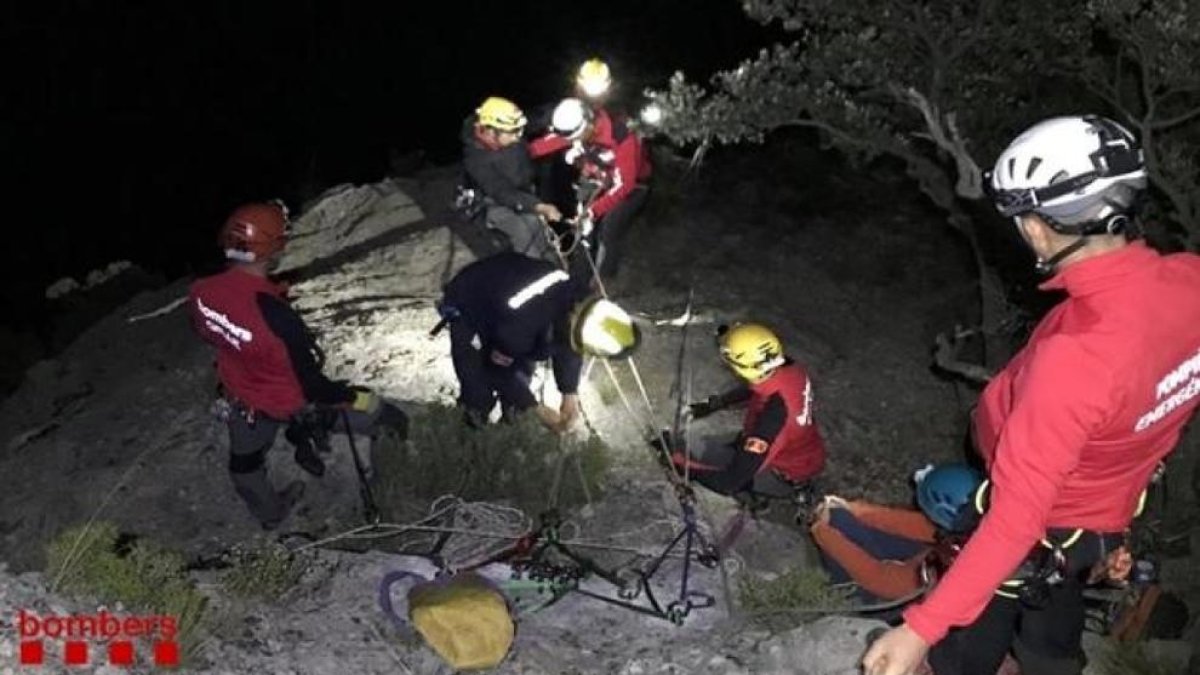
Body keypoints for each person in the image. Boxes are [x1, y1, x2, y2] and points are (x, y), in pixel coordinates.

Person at [862, 115, 1200, 675]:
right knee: (1052, 641)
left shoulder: (1077, 360)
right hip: (1095, 524)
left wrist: (919, 630)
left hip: (1041, 524)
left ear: (1040, 230)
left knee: (969, 647)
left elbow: (1015, 521)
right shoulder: (1189, 283)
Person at [189, 202, 409, 530]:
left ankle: (270, 513)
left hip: (243, 401)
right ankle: (392, 492)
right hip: (293, 402)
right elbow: (314, 386)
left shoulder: (200, 293)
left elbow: (212, 332)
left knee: (244, 466)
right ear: (274, 246)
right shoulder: (278, 316)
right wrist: (358, 396)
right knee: (390, 418)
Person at [436, 250, 640, 431]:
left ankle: (512, 432)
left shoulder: (579, 302)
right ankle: (468, 444)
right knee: (477, 390)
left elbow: (568, 347)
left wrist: (569, 393)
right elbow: (497, 369)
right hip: (469, 304)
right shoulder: (523, 325)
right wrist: (535, 409)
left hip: (506, 298)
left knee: (520, 381)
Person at [672, 322, 826, 509]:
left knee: (700, 453)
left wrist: (680, 464)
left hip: (783, 470)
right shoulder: (787, 366)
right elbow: (755, 386)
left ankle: (757, 495)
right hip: (802, 450)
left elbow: (728, 482)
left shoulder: (773, 420)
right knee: (707, 448)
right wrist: (716, 403)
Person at [811, 464, 984, 604]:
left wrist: (822, 532)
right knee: (839, 519)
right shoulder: (977, 524)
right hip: (924, 557)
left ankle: (851, 605)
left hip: (909, 604)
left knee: (837, 538)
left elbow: (881, 580)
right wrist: (855, 510)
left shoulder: (948, 567)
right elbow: (918, 526)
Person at [529, 97, 651, 281]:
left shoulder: (622, 136)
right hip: (602, 179)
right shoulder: (580, 125)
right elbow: (551, 142)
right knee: (583, 232)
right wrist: (519, 153)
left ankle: (604, 282)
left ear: (588, 126)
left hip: (634, 186)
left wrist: (592, 212)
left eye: (576, 137)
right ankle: (578, 280)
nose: (573, 141)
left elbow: (624, 185)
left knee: (608, 229)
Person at [459, 96, 563, 261]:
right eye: (514, 132)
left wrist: (567, 109)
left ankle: (557, 271)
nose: (518, 137)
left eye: (519, 130)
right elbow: (501, 191)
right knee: (524, 236)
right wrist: (538, 206)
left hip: (524, 194)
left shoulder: (508, 130)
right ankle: (535, 274)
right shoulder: (475, 159)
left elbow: (539, 117)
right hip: (495, 204)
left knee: (537, 228)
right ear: (492, 132)